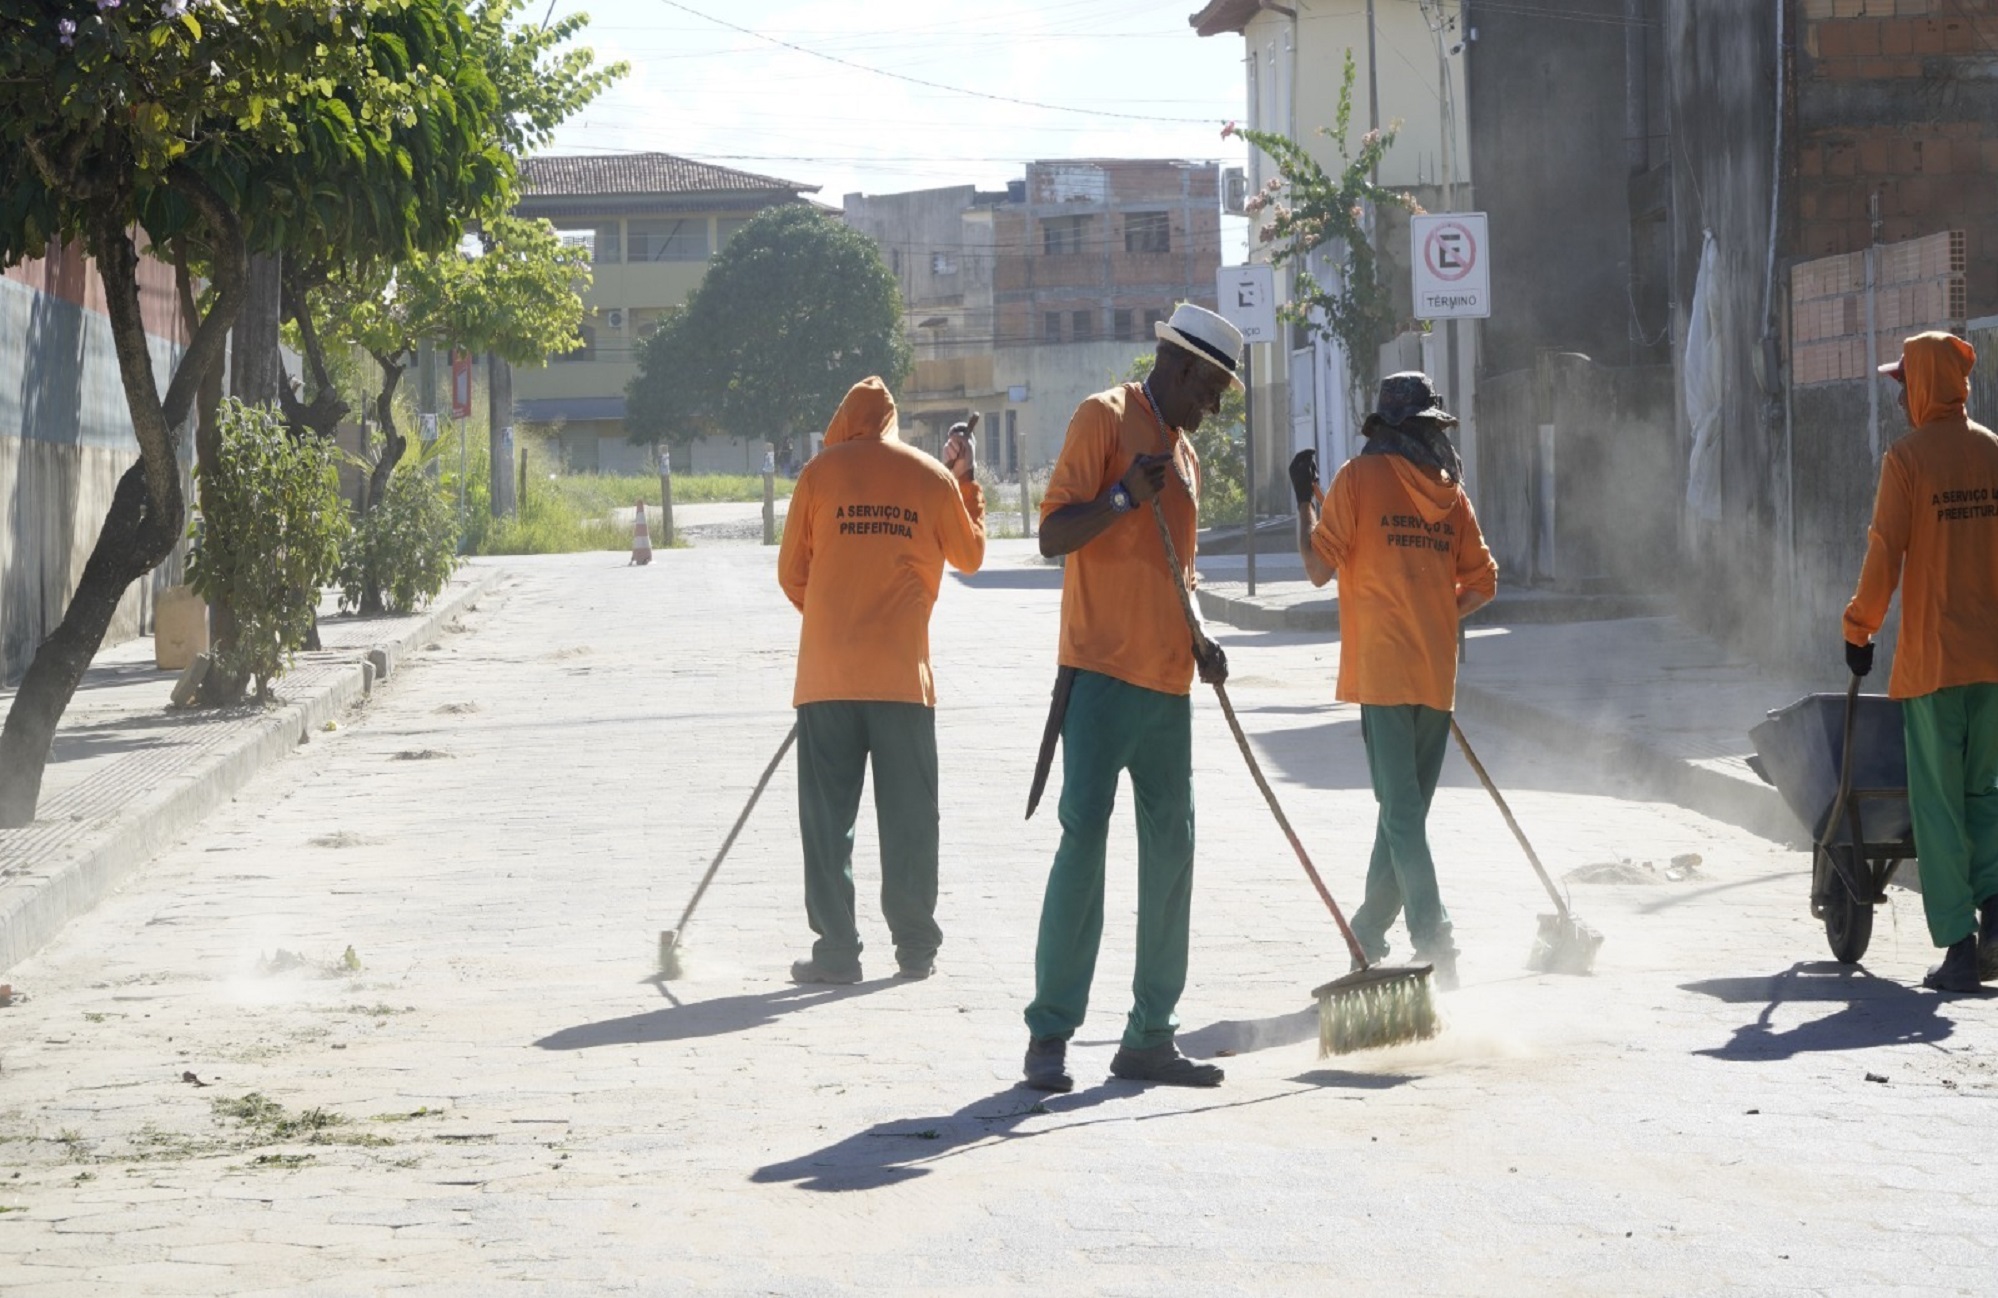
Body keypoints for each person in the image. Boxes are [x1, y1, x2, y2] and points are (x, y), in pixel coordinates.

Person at [1021, 303, 1238, 1092]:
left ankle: (1150, 1034)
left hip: (1166, 687)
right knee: (1083, 847)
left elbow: (1181, 576)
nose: (1211, 411)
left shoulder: (1184, 459)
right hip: (1099, 675)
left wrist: (1202, 638)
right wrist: (1118, 497)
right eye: (1209, 392)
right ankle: (1049, 1035)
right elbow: (1051, 537)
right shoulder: (1101, 419)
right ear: (1177, 367)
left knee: (1172, 854)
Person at [1289, 372, 1497, 991]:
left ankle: (1437, 940)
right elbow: (1483, 582)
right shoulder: (1450, 494)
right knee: (1403, 813)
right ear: (1431, 429)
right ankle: (1367, 934)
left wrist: (1304, 500)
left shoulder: (1356, 479)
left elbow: (1316, 569)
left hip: (1381, 671)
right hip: (1436, 673)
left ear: (1384, 426)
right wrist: (1434, 615)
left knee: (1401, 814)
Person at [776, 378, 985, 984]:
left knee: (826, 821)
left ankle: (838, 953)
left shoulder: (818, 475)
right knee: (911, 819)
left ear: (843, 420)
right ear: (892, 423)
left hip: (827, 677)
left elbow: (792, 574)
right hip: (902, 680)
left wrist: (833, 619)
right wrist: (965, 480)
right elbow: (969, 557)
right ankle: (915, 948)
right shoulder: (931, 476)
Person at [1843, 331, 1998, 993]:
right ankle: (1997, 922)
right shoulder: (1993, 451)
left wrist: (1860, 628)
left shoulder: (1907, 460)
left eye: (1904, 382)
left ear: (1926, 384)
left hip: (1934, 664)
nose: (1901, 394)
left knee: (1937, 805)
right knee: (1986, 796)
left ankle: (1960, 948)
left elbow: (1885, 551)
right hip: (1992, 661)